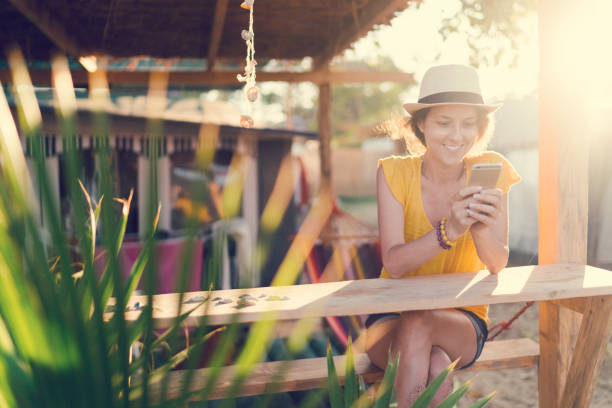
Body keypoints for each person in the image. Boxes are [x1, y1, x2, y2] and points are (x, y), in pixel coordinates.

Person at [365, 64, 521, 406]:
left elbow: (497, 264)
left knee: (423, 325)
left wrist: (478, 226)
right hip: (390, 316)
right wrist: (449, 230)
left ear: (480, 128)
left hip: (462, 319)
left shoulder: (492, 168)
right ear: (421, 125)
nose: (457, 136)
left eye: (468, 124)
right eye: (444, 123)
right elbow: (395, 263)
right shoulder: (393, 172)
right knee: (435, 361)